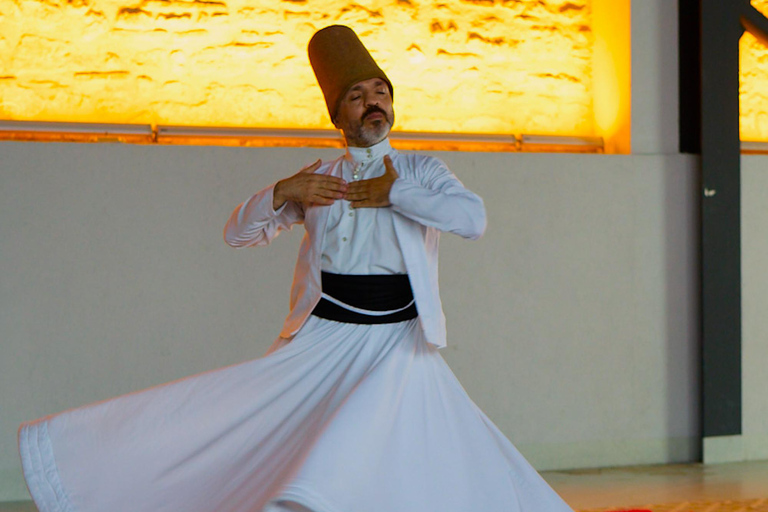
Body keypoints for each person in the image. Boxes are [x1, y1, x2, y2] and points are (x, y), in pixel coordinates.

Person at [18, 25, 574, 512]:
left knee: (386, 463)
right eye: (357, 97)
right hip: (322, 339)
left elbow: (471, 220)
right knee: (234, 432)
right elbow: (239, 234)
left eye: (380, 91)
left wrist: (397, 192)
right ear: (338, 114)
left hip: (399, 345)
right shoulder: (317, 176)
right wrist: (281, 192)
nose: (372, 102)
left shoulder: (420, 169)